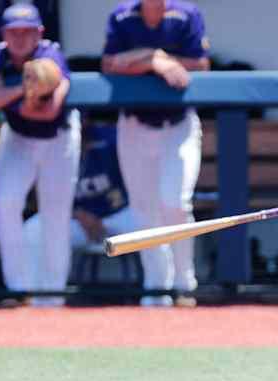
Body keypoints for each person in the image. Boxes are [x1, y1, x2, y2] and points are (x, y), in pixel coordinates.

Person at [100, 0, 210, 307]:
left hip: (178, 125)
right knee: (144, 209)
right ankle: (156, 288)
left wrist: (147, 58)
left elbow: (200, 65)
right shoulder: (122, 16)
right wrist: (154, 61)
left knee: (174, 202)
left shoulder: (186, 14)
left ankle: (184, 285)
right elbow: (109, 64)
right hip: (135, 124)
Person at [0, 3, 80, 307]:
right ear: (4, 33)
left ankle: (52, 296)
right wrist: (20, 89)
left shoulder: (50, 54)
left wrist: (4, 92)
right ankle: (19, 291)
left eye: (26, 32)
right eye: (13, 32)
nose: (19, 38)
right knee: (5, 203)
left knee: (55, 215)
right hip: (18, 138)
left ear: (39, 33)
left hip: (58, 139)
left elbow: (47, 111)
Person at [23, 125, 138, 287]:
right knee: (33, 229)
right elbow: (41, 199)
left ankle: (164, 293)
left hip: (121, 215)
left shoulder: (113, 139)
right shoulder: (52, 143)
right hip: (78, 221)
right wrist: (77, 214)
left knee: (158, 223)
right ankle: (36, 294)